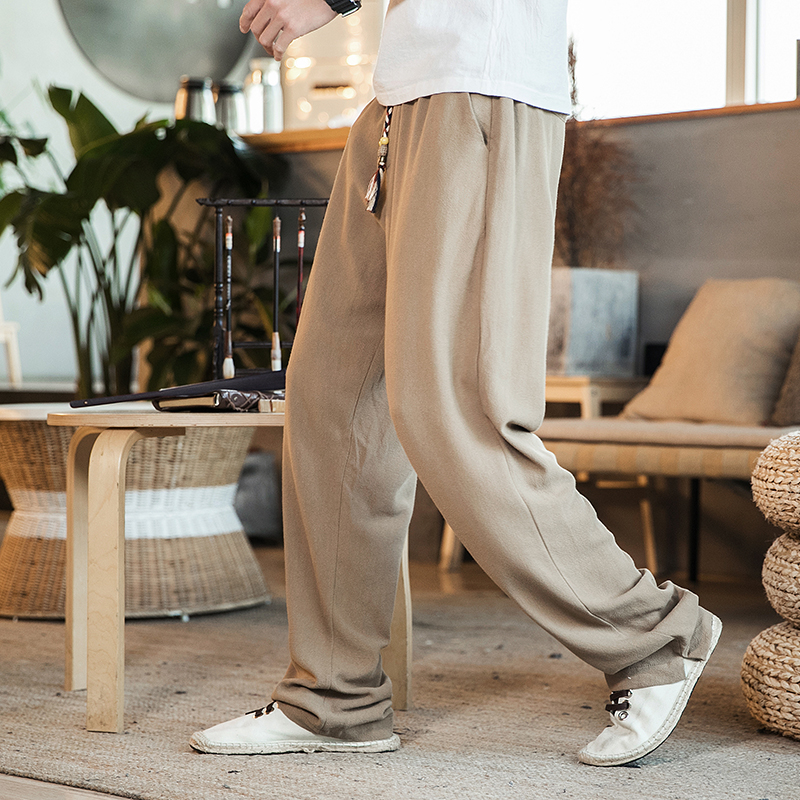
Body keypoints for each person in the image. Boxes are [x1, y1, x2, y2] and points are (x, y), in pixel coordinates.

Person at [190, 0, 721, 766]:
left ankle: (655, 636)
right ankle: (333, 700)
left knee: (456, 407)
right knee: (332, 399)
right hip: (400, 99)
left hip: (481, 84)